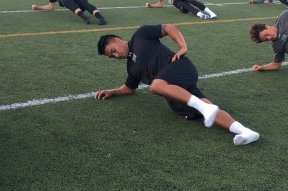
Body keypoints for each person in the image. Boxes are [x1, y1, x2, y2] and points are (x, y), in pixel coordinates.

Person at [94, 24, 259, 145]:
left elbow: (169, 28)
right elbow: (129, 88)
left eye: (113, 51)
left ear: (118, 40)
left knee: (155, 86)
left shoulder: (140, 35)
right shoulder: (131, 68)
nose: (115, 56)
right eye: (111, 57)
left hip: (180, 68)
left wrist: (183, 47)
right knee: (207, 107)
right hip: (176, 90)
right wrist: (113, 91)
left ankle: (206, 109)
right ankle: (245, 131)